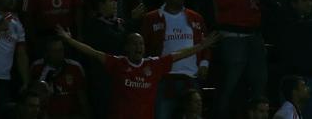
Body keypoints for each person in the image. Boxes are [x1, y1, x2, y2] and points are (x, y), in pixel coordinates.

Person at [55, 25, 220, 119]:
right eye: (134, 44)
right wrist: (69, 40)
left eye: (141, 44)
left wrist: (202, 46)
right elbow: (92, 52)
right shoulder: (118, 63)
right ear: (126, 47)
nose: (138, 47)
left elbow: (179, 55)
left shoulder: (154, 65)